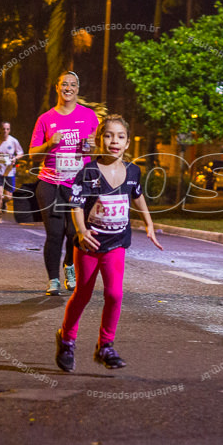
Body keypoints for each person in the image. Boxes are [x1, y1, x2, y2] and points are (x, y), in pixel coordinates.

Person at [55, 115, 163, 372]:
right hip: (90, 245)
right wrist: (81, 232)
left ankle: (106, 346)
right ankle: (67, 339)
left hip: (116, 243)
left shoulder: (133, 172)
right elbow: (77, 205)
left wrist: (148, 223)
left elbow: (137, 197)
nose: (114, 141)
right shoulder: (89, 172)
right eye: (108, 135)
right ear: (98, 140)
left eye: (120, 136)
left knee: (114, 294)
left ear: (127, 143)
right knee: (83, 293)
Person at [29, 71, 100, 296]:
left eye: (72, 85)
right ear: (56, 88)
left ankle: (69, 265)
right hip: (50, 183)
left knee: (75, 232)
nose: (68, 88)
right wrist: (49, 143)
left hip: (79, 184)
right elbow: (32, 154)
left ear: (77, 89)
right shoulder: (45, 118)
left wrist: (92, 146)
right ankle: (53, 280)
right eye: (63, 84)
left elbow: (99, 149)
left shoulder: (89, 116)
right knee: (55, 233)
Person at [0, 121, 24, 223]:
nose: (5, 131)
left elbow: (21, 153)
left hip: (10, 172)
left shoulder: (13, 141)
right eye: (3, 129)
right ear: (0, 130)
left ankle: (4, 202)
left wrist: (15, 158)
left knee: (8, 196)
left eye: (7, 129)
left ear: (9, 130)